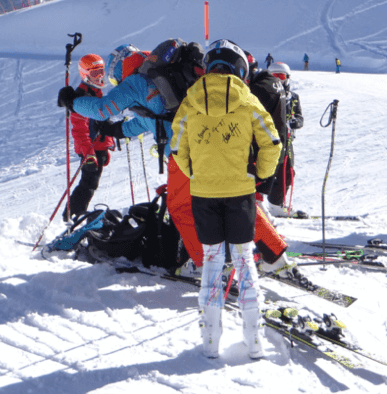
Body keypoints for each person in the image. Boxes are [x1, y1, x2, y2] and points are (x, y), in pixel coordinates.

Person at [61, 42, 290, 273]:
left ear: (119, 68)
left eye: (113, 77)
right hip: (215, 143)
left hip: (185, 153)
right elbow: (147, 122)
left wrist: (73, 102)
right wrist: (114, 131)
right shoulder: (164, 79)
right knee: (239, 197)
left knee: (180, 206)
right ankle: (276, 254)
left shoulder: (136, 82)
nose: (115, 82)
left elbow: (101, 108)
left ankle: (203, 265)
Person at [172, 40, 282, 359]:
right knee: (245, 262)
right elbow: (272, 142)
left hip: (203, 194)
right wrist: (257, 175)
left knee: (212, 262)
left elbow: (177, 147)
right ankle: (255, 342)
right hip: (240, 193)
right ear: (239, 68)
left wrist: (196, 172)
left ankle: (210, 343)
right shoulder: (247, 100)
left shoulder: (190, 101)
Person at [66, 53, 116, 219]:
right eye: (95, 73)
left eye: (101, 71)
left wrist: (107, 143)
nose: (100, 76)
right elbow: (79, 130)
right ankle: (73, 215)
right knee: (88, 184)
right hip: (90, 151)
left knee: (91, 183)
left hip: (97, 148)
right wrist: (88, 153)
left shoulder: (96, 92)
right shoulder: (81, 98)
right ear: (85, 73)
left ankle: (75, 214)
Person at [263, 61, 303, 215]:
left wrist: (295, 122)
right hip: (271, 138)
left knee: (288, 171)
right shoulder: (265, 94)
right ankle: (270, 204)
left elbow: (299, 117)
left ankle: (278, 204)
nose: (278, 80)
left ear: (287, 78)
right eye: (275, 76)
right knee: (272, 169)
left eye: (281, 76)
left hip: (287, 139)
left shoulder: (293, 97)